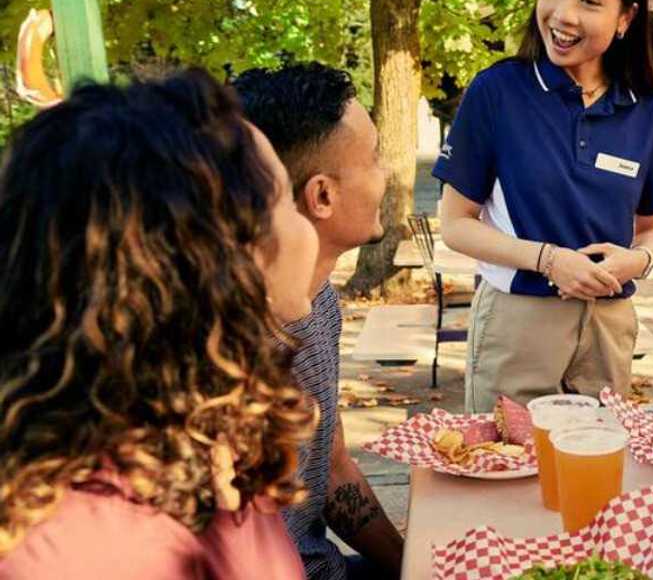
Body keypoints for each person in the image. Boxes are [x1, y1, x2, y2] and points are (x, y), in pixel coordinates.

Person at [0, 70, 318, 578]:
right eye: (286, 202)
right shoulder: (91, 548)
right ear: (219, 260)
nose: (307, 226)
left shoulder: (203, 428)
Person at [434, 0, 653, 412]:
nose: (563, 14)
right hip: (519, 321)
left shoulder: (647, 111)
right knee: (506, 470)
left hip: (609, 324)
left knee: (596, 472)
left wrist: (637, 260)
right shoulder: (497, 92)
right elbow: (455, 226)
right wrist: (551, 260)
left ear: (625, 17)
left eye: (590, 0)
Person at [233, 63, 403, 580]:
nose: (387, 172)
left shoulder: (321, 302)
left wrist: (414, 569)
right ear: (322, 195)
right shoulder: (223, 352)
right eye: (373, 159)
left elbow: (331, 471)